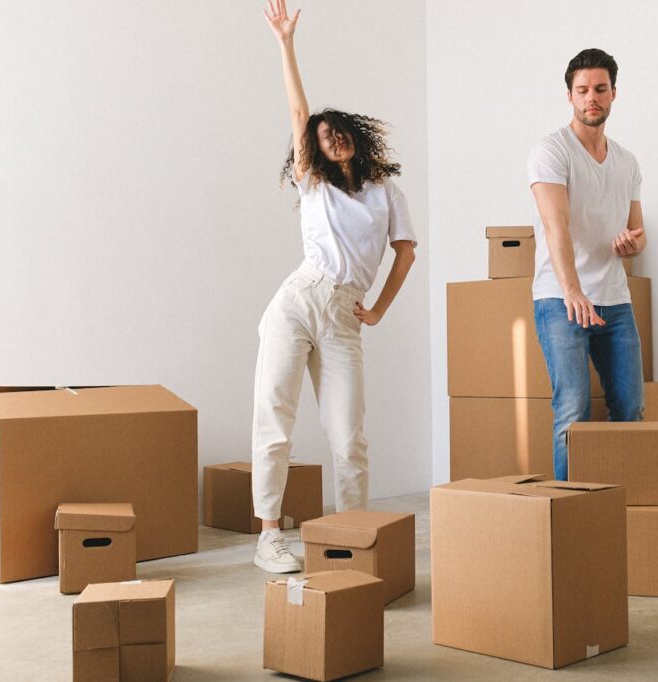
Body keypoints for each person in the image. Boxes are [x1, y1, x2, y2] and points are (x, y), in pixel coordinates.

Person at [252, 0, 417, 573]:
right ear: (315, 149)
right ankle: (270, 535)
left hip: (346, 312)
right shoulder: (313, 185)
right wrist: (286, 43)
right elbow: (298, 110)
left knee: (349, 438)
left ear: (353, 137)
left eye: (338, 131)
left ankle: (352, 538)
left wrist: (379, 309)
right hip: (299, 300)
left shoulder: (386, 193)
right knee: (276, 417)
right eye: (322, 136)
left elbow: (406, 253)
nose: (331, 138)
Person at [528, 48, 646, 481]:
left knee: (630, 409)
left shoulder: (627, 162)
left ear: (614, 93)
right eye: (582, 90)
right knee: (572, 411)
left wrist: (632, 245)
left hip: (614, 299)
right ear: (569, 96)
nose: (591, 97)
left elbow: (638, 231)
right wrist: (572, 290)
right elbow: (555, 227)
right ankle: (570, 518)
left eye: (600, 89)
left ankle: (627, 508)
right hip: (561, 299)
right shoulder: (550, 151)